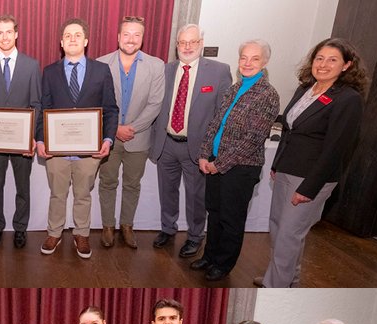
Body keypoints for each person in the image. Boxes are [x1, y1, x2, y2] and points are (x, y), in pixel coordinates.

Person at [260, 38, 368, 288]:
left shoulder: (348, 99)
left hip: (311, 178)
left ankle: (274, 286)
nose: (323, 64)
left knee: (288, 235)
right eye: (319, 58)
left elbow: (336, 150)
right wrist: (276, 164)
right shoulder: (305, 89)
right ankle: (286, 279)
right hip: (286, 169)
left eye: (332, 60)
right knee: (279, 229)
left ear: (346, 66)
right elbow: (288, 130)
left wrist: (309, 188)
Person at [193, 40, 280, 281]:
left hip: (241, 168)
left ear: (265, 62)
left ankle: (223, 264)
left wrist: (218, 164)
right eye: (244, 57)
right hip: (215, 160)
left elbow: (252, 139)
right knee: (214, 213)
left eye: (254, 58)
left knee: (231, 219)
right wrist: (204, 154)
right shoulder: (235, 88)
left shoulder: (268, 95)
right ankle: (210, 256)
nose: (247, 63)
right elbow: (215, 124)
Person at [35, 17, 118, 259]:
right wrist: (41, 140)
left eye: (77, 35)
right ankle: (54, 233)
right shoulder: (50, 72)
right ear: (61, 42)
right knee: (57, 194)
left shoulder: (101, 71)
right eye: (68, 36)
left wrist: (108, 140)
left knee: (83, 195)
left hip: (89, 151)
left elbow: (110, 109)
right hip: (56, 151)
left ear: (86, 41)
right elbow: (43, 109)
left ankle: (81, 234)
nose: (73, 39)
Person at [149, 24, 232, 259]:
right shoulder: (165, 70)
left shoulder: (219, 71)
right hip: (166, 143)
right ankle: (168, 228)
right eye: (182, 42)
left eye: (192, 42)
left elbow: (222, 114)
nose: (187, 47)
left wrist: (212, 150)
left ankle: (195, 235)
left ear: (201, 43)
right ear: (176, 45)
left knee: (196, 196)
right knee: (167, 191)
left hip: (197, 148)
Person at [95, 16, 165, 249]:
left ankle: (127, 225)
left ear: (142, 38)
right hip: (109, 137)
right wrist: (115, 128)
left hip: (139, 138)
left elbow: (155, 103)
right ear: (118, 37)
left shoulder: (156, 66)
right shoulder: (101, 64)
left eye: (136, 35)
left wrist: (132, 128)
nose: (131, 39)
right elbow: (96, 101)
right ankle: (107, 226)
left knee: (132, 184)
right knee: (107, 182)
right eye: (126, 34)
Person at [0, 14, 42, 249]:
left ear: (16, 34)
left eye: (8, 32)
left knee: (22, 187)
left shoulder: (31, 65)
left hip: (22, 141)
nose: (4, 37)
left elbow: (36, 103)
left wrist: (31, 137)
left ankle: (20, 228)